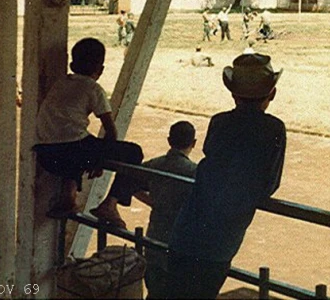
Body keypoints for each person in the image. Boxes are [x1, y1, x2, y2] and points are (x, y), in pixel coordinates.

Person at [168, 53, 286, 299]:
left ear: (233, 93)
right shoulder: (274, 128)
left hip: (187, 228)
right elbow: (269, 184)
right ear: (271, 93)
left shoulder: (219, 122)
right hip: (221, 238)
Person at [33, 38, 143, 226]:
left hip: (46, 155)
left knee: (79, 140)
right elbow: (110, 131)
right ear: (100, 70)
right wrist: (100, 161)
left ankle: (69, 195)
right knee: (134, 152)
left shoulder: (61, 83)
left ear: (72, 65)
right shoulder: (93, 88)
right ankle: (110, 203)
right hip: (71, 152)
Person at [133, 121, 198, 299]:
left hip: (155, 236)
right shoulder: (195, 172)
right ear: (194, 143)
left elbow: (130, 182)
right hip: (181, 241)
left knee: (155, 289)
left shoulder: (155, 164)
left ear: (169, 140)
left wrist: (155, 202)